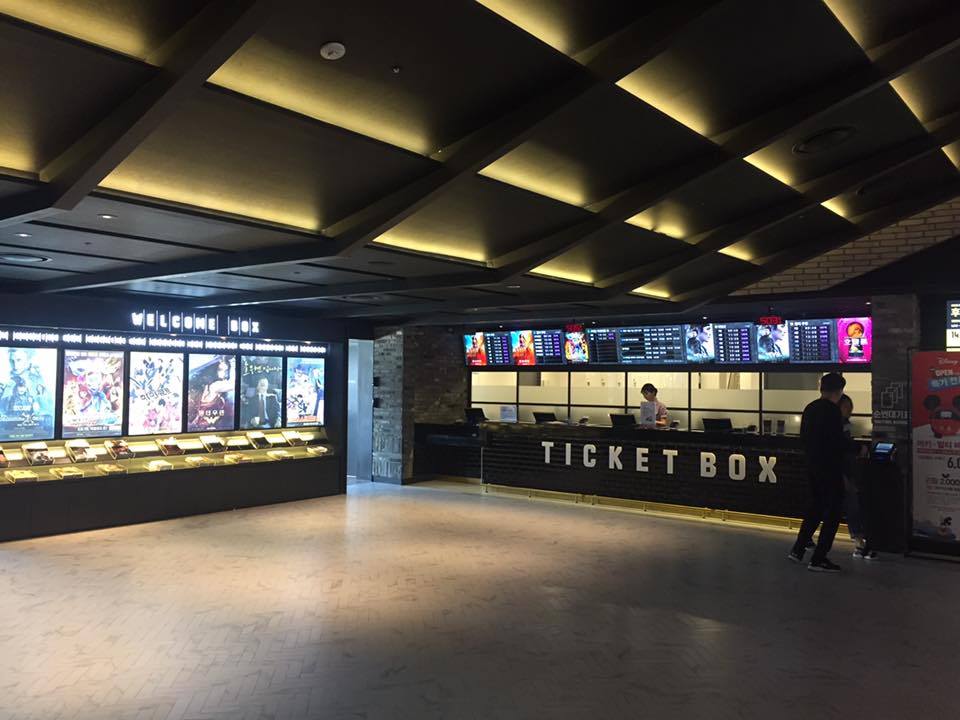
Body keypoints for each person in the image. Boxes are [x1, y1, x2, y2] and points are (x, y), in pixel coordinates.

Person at [789, 372, 854, 572]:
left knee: (815, 507)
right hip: (830, 467)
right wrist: (857, 448)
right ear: (839, 391)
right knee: (833, 512)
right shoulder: (832, 411)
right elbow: (836, 442)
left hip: (812, 465)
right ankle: (819, 558)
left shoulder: (810, 408)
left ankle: (798, 549)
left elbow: (804, 438)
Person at [839, 394, 876, 560]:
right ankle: (860, 542)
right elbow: (841, 450)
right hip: (843, 472)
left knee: (848, 506)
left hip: (846, 471)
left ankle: (860, 542)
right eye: (846, 406)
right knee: (852, 506)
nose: (850, 410)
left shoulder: (845, 425)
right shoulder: (839, 426)